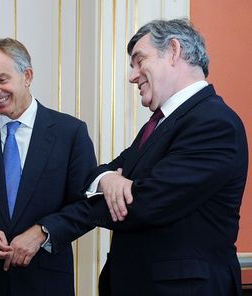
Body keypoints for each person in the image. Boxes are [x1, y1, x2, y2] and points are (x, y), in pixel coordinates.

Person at [69, 18, 248, 295]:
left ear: (174, 50)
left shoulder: (214, 122)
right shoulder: (160, 123)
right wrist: (108, 180)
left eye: (139, 61)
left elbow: (146, 204)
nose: (132, 76)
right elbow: (103, 171)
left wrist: (123, 190)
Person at [0, 37, 97, 296]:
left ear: (27, 76)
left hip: (45, 282)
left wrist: (43, 232)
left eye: (2, 79)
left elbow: (86, 206)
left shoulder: (70, 132)